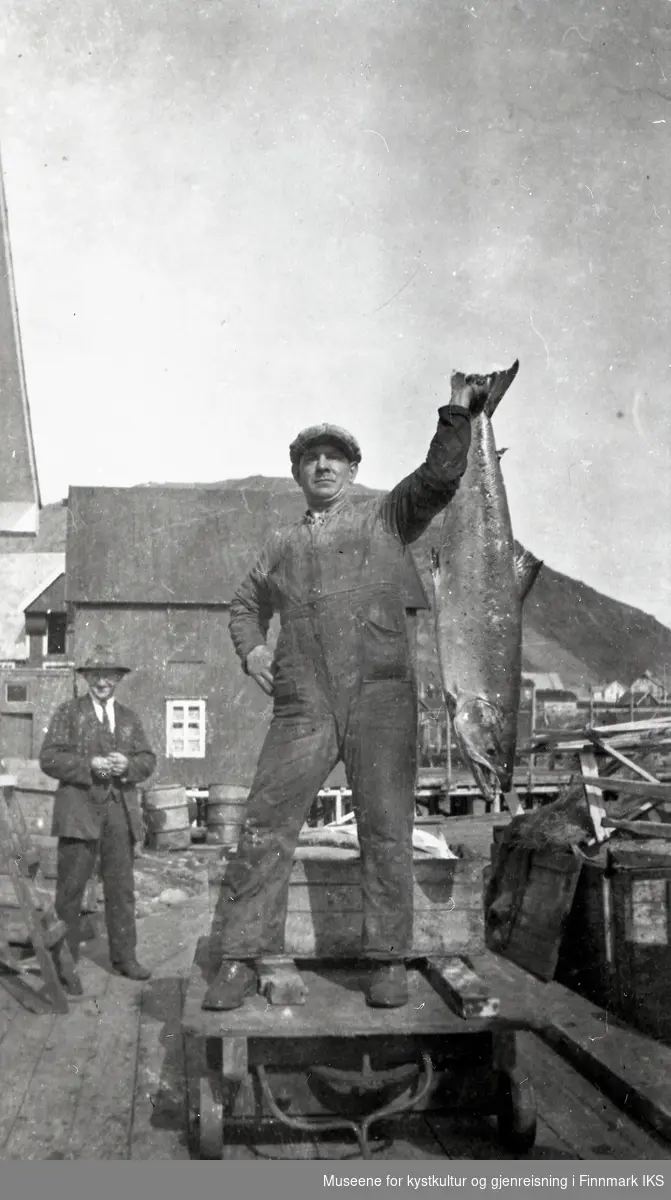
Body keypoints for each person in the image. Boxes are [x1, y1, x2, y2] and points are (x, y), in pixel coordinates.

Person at [203, 378, 483, 1012]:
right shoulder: (280, 546)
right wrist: (251, 649)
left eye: (334, 457)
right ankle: (243, 956)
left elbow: (439, 481)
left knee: (386, 829)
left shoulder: (387, 516)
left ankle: (387, 959)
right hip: (304, 703)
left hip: (380, 700)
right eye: (311, 458)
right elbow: (245, 605)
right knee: (266, 825)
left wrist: (458, 412)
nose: (322, 465)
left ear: (353, 470)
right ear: (298, 472)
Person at [39, 644, 156, 994]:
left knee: (121, 889)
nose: (102, 681)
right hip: (78, 813)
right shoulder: (67, 713)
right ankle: (64, 964)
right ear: (86, 678)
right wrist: (88, 766)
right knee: (71, 890)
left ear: (119, 679)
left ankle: (125, 958)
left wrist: (129, 766)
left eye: (109, 675)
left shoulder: (130, 718)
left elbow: (148, 761)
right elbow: (49, 759)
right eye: (95, 675)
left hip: (119, 812)